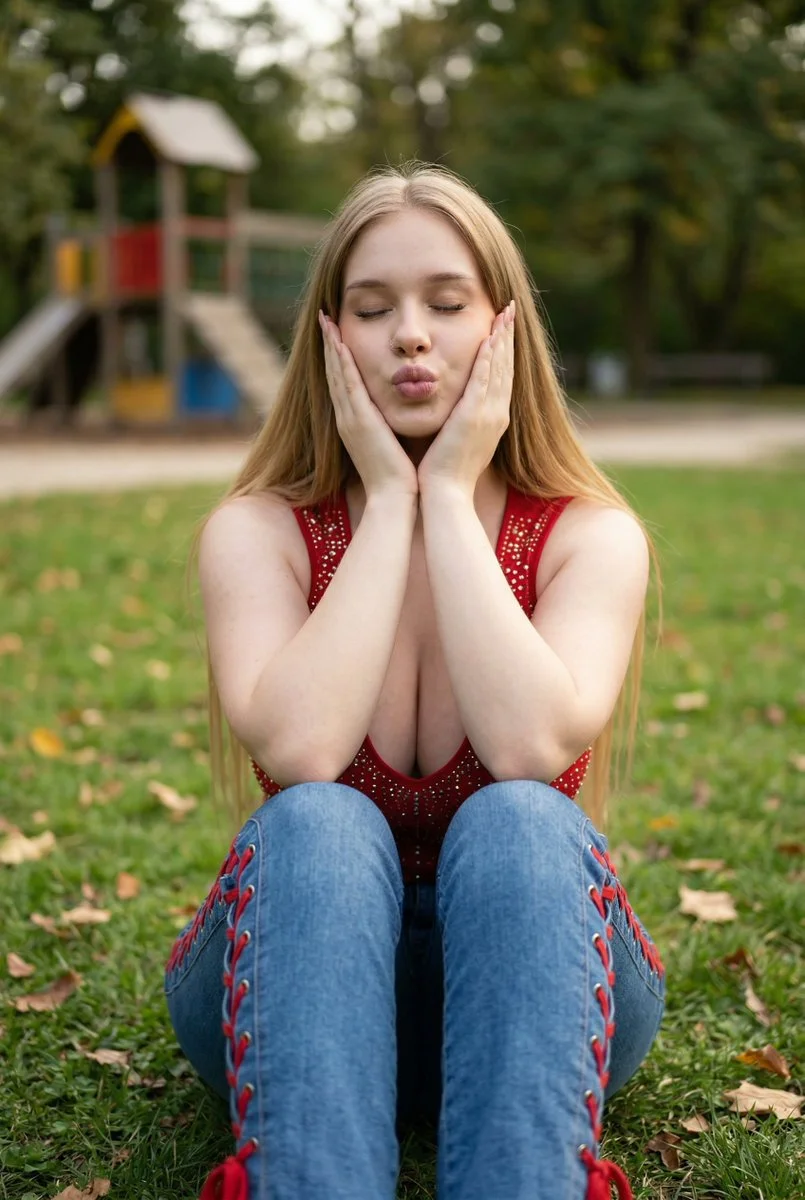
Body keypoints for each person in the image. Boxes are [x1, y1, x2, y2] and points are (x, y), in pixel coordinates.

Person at [164, 162, 666, 1200]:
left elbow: (531, 746)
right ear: (327, 336)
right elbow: (300, 752)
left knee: (524, 817)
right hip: (293, 991)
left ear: (504, 330)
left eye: (446, 303)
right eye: (371, 307)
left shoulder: (588, 537)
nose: (409, 335)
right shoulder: (258, 533)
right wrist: (389, 501)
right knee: (317, 821)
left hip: (538, 996)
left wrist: (450, 495)